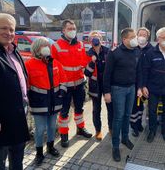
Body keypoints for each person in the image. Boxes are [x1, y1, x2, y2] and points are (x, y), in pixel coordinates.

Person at [25, 37, 67, 166]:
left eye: (47, 45)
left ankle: (50, 147)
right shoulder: (28, 65)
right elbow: (26, 85)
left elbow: (63, 78)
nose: (46, 48)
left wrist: (62, 91)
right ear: (36, 49)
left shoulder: (55, 63)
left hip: (54, 102)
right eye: (43, 46)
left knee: (52, 127)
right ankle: (38, 153)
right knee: (40, 129)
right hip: (39, 104)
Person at [51, 19, 92, 148]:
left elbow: (85, 61)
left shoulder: (80, 44)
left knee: (79, 109)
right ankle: (64, 135)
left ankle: (80, 129)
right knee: (64, 112)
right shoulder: (56, 46)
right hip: (64, 86)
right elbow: (53, 68)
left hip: (79, 83)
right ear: (63, 30)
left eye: (74, 28)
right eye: (69, 28)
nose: (73, 30)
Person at [0, 13, 29, 170]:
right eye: (4, 28)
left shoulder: (14, 51)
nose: (8, 32)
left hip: (18, 113)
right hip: (2, 119)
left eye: (11, 29)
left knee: (17, 156)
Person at [103, 28, 139, 162]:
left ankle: (125, 138)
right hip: (117, 89)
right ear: (125, 39)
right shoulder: (114, 53)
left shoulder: (136, 51)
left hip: (131, 88)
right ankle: (115, 146)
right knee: (118, 117)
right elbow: (107, 74)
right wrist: (106, 92)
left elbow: (138, 70)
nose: (135, 39)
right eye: (132, 37)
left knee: (127, 115)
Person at [142, 27, 165, 143]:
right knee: (152, 111)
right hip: (153, 87)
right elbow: (145, 70)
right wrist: (144, 86)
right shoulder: (150, 53)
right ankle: (152, 131)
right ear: (158, 39)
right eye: (164, 37)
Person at [84, 31, 113, 141]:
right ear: (90, 41)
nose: (95, 40)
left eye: (97, 38)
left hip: (107, 85)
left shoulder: (107, 51)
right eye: (93, 38)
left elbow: (112, 68)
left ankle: (111, 128)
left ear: (101, 39)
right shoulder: (88, 53)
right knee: (96, 109)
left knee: (111, 108)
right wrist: (92, 63)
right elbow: (87, 73)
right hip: (95, 86)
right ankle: (98, 131)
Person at [130, 27, 153, 137]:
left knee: (141, 105)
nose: (142, 37)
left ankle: (139, 124)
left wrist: (145, 85)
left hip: (146, 83)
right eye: (140, 34)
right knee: (134, 106)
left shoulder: (152, 49)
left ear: (148, 37)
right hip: (134, 82)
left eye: (144, 35)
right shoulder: (133, 48)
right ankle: (134, 126)